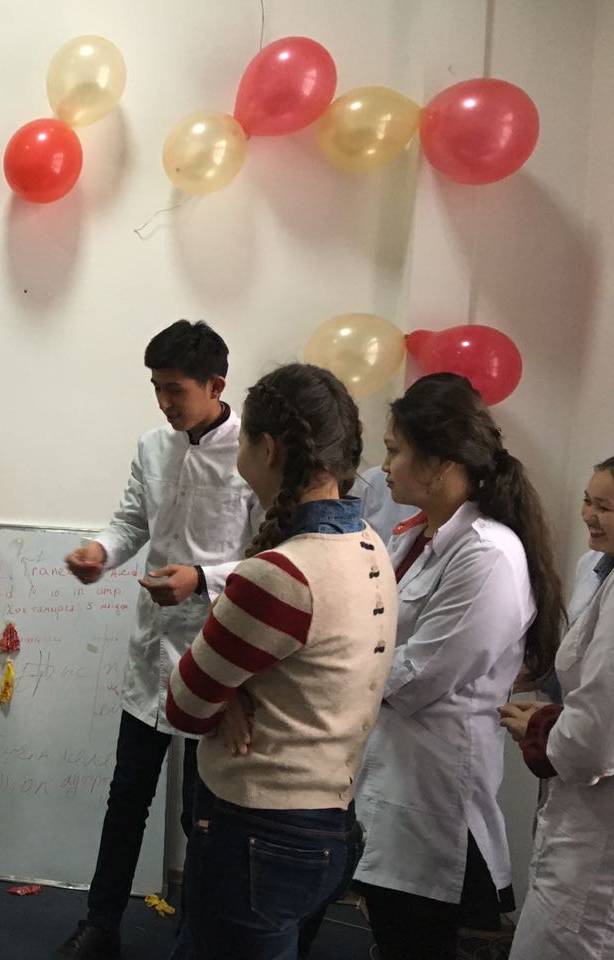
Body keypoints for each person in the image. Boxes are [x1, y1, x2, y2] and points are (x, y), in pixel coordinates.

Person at [163, 363, 397, 960]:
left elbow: (184, 705)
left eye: (244, 440)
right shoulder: (371, 547)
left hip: (258, 834)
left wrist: (223, 692)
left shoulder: (279, 575)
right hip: (330, 827)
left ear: (267, 449)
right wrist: (231, 692)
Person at [54, 320, 262, 960]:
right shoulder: (153, 446)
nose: (164, 402)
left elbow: (270, 558)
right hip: (150, 655)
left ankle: (196, 934)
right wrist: (101, 551)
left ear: (216, 385)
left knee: (203, 813)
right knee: (126, 798)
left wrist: (202, 580)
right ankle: (101, 925)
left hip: (217, 654)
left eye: (175, 389)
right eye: (156, 388)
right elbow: (130, 521)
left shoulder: (253, 454)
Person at [352, 373, 565, 960]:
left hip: (432, 791)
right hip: (389, 774)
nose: (384, 466)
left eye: (394, 450)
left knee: (415, 939)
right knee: (391, 935)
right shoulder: (416, 536)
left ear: (442, 462)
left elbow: (415, 677)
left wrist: (333, 670)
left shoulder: (487, 554)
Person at [499, 456, 614, 959]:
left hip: (594, 832)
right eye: (588, 500)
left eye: (605, 507)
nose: (589, 514)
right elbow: (585, 667)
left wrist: (542, 727)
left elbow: (593, 740)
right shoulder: (599, 567)